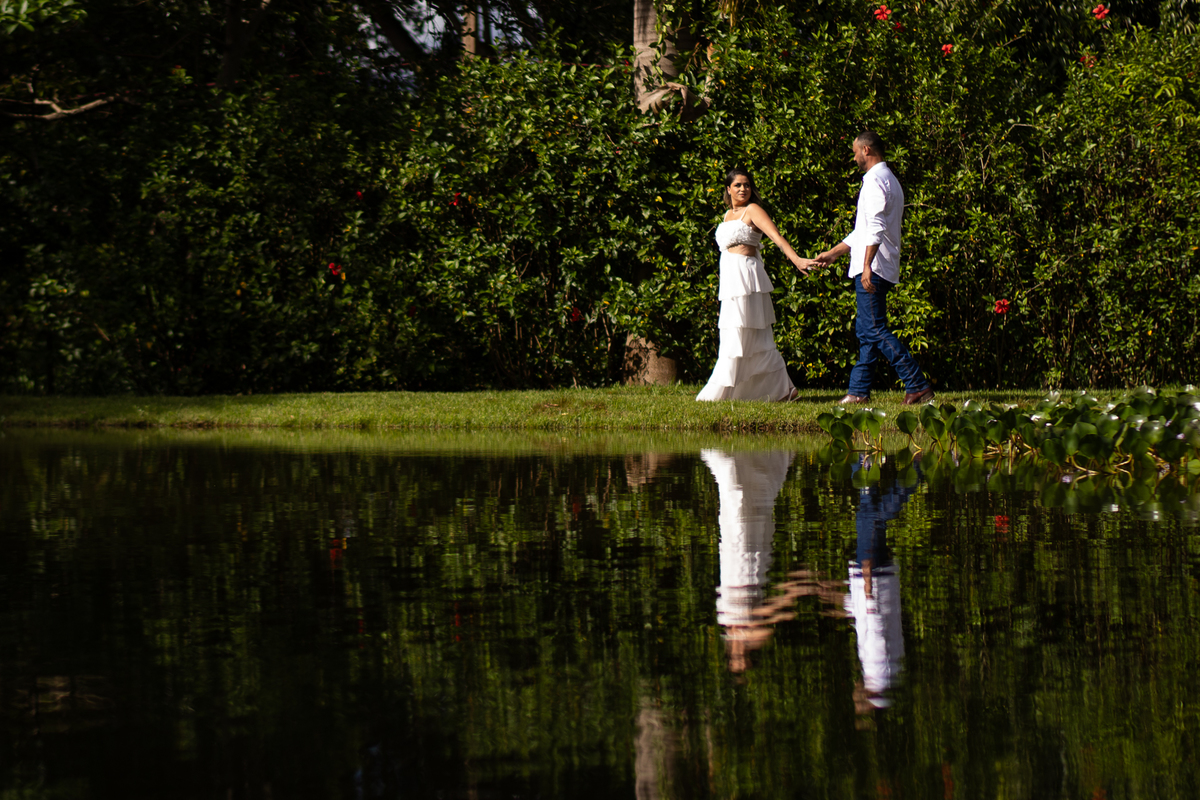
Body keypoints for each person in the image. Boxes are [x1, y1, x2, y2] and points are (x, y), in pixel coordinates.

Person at [813, 132, 934, 405]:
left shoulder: (876, 181)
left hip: (875, 267)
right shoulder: (884, 179)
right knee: (867, 332)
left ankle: (917, 384)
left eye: (855, 151)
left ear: (866, 150)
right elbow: (863, 231)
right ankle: (858, 391)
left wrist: (866, 265)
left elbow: (876, 229)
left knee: (874, 330)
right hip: (876, 264)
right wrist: (834, 254)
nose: (854, 156)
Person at [696, 169, 817, 402]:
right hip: (731, 279)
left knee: (754, 335)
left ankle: (781, 389)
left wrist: (797, 259)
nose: (743, 189)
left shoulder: (753, 210)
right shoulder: (726, 215)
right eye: (738, 185)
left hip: (747, 278)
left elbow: (777, 238)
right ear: (728, 189)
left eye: (747, 185)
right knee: (735, 333)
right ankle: (772, 390)